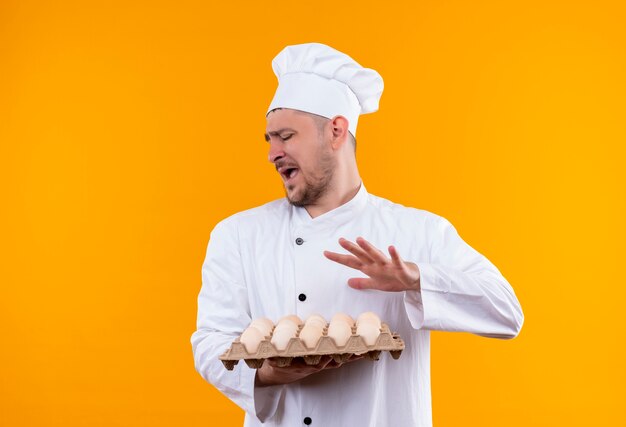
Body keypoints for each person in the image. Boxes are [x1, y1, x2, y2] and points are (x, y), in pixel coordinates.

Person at [191, 42, 524, 427]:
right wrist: (264, 375)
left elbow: (507, 314)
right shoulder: (238, 235)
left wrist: (415, 281)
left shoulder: (418, 231)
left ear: (335, 130)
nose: (272, 153)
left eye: (285, 136)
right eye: (269, 139)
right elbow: (211, 341)